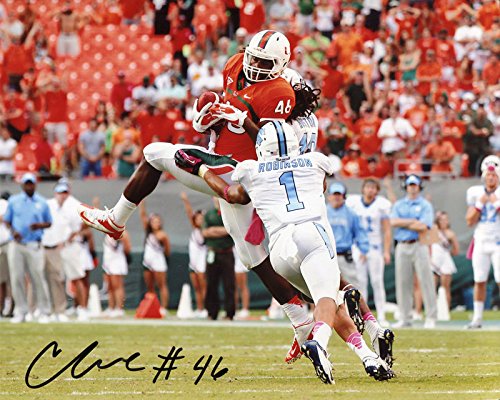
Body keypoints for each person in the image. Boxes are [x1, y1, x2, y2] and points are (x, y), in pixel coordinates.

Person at [78, 30, 317, 361]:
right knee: (252, 256)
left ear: (281, 66)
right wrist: (209, 116)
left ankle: (115, 220)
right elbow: (217, 123)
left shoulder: (278, 92)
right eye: (254, 58)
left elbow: (270, 143)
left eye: (265, 63)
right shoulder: (234, 65)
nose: (255, 66)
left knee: (154, 153)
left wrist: (241, 119)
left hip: (245, 171)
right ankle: (302, 320)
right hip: (221, 159)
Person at [175, 121, 394, 383]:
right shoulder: (315, 162)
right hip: (312, 234)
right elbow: (321, 186)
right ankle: (321, 342)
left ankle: (368, 355)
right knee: (327, 299)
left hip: (280, 250)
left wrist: (200, 169)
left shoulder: (251, 170)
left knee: (331, 302)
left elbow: (231, 194)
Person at [3, 173, 52, 323]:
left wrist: (38, 225)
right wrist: (13, 232)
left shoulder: (42, 202)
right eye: (27, 183)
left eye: (31, 183)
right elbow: (7, 220)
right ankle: (21, 311)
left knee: (38, 278)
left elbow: (49, 222)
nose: (29, 186)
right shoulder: (14, 201)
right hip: (16, 244)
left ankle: (44, 312)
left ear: (35, 185)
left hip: (34, 244)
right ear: (22, 185)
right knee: (16, 278)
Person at [390, 174, 437, 329]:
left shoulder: (425, 205)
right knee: (403, 283)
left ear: (419, 186)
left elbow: (424, 226)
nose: (412, 188)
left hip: (419, 244)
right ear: (406, 186)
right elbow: (393, 222)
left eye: (415, 185)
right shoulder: (399, 204)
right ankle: (405, 317)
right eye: (410, 185)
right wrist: (413, 221)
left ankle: (431, 317)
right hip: (402, 245)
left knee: (426, 281)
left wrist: (403, 223)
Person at [346, 178, 392, 326]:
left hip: (375, 247)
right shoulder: (354, 203)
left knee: (377, 282)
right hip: (358, 247)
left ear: (377, 190)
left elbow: (387, 230)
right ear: (363, 189)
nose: (370, 190)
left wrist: (386, 251)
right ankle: (362, 315)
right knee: (360, 282)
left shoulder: (381, 205)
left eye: (373, 187)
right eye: (368, 187)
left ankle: (382, 315)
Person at [465, 155, 500, 329]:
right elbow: (469, 221)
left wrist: (496, 204)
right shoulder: (475, 192)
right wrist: (479, 205)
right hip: (480, 240)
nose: (491, 178)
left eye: (494, 175)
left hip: (498, 241)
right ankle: (477, 318)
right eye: (488, 175)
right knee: (479, 280)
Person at [326, 182, 370, 288]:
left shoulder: (351, 214)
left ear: (344, 196)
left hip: (344, 255)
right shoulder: (323, 212)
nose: (336, 197)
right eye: (334, 194)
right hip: (326, 256)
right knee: (326, 287)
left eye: (339, 195)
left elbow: (359, 232)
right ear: (329, 196)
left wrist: (364, 250)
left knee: (351, 287)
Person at [202, 197, 236, 321]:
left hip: (227, 252)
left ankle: (229, 313)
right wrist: (222, 231)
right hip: (213, 252)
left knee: (229, 284)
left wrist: (214, 230)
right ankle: (212, 312)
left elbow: (231, 230)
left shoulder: (229, 213)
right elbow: (205, 232)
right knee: (211, 283)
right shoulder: (209, 214)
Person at [139, 201, 170, 317]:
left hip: (159, 262)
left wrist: (162, 257)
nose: (155, 223)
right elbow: (143, 215)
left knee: (161, 285)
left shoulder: (163, 235)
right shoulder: (149, 233)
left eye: (157, 221)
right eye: (153, 221)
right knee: (150, 286)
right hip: (148, 262)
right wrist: (142, 203)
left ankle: (164, 307)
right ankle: (151, 306)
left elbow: (167, 250)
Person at [181, 192, 208, 318]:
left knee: (203, 286)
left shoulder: (206, 231)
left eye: (201, 218)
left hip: (202, 263)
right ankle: (200, 308)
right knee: (196, 287)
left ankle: (206, 308)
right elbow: (189, 213)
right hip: (193, 263)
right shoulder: (195, 230)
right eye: (197, 218)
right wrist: (185, 200)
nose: (199, 220)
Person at [431, 211, 459, 311]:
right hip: (434, 261)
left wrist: (447, 254)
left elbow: (456, 250)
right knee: (432, 287)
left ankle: (446, 310)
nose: (444, 222)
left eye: (445, 219)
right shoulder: (433, 231)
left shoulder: (450, 234)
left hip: (445, 261)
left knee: (445, 287)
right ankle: (433, 310)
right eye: (441, 220)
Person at [102, 231, 131, 317]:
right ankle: (111, 308)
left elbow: (127, 248)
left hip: (117, 262)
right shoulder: (107, 232)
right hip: (107, 261)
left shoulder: (123, 232)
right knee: (110, 286)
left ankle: (119, 309)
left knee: (117, 286)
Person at [0, 191, 13, 317]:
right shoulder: (4, 204)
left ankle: (8, 307)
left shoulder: (5, 204)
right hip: (5, 244)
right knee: (5, 279)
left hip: (6, 244)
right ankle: (6, 307)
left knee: (8, 279)